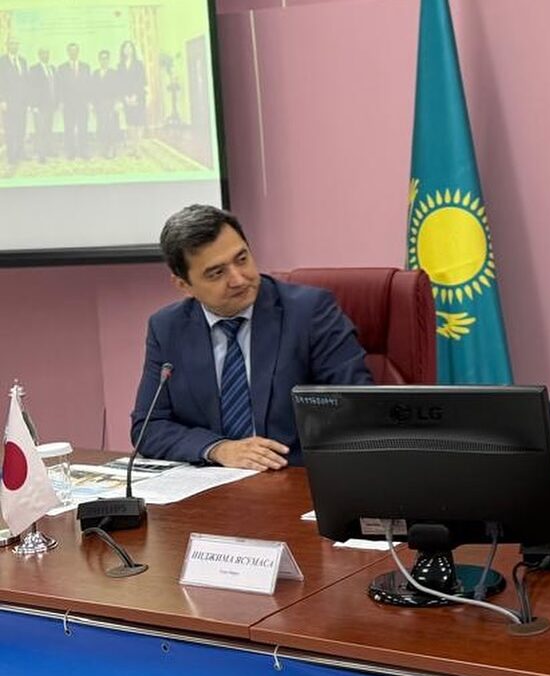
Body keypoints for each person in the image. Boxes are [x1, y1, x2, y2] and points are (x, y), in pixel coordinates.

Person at [130, 205, 373, 470]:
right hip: (211, 482)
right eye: (217, 273)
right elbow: (148, 427)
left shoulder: (309, 313)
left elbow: (358, 408)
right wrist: (218, 449)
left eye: (242, 259)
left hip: (292, 477)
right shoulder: (168, 328)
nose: (238, 279)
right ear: (184, 285)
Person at [57, 43, 91, 159]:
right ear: (68, 52)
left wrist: (89, 102)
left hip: (82, 104)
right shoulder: (62, 68)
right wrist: (61, 102)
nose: (73, 53)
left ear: (78, 52)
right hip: (68, 104)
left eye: (75, 51)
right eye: (71, 51)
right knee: (69, 128)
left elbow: (89, 86)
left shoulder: (86, 67)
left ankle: (83, 151)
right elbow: (60, 87)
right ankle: (70, 151)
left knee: (83, 128)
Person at [0, 37, 28, 171]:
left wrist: (28, 101)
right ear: (7, 46)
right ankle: (11, 155)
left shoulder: (22, 61)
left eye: (16, 44)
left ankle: (20, 153)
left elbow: (26, 82)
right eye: (11, 44)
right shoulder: (2, 61)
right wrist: (2, 100)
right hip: (9, 103)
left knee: (21, 128)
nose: (14, 46)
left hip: (22, 102)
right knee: (10, 129)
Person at [27, 47, 57, 163]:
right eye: (43, 54)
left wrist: (56, 102)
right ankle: (41, 154)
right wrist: (34, 106)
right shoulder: (34, 69)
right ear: (39, 55)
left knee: (49, 129)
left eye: (47, 53)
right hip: (39, 106)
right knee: (40, 130)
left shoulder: (52, 68)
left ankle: (49, 150)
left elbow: (55, 86)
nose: (46, 56)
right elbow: (31, 88)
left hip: (51, 105)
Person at [117, 40, 145, 150]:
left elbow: (141, 80)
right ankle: (134, 146)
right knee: (130, 122)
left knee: (139, 121)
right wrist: (125, 97)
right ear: (122, 50)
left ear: (133, 50)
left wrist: (135, 96)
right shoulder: (120, 65)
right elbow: (120, 83)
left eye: (130, 47)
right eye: (125, 47)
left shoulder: (139, 64)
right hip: (126, 98)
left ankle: (138, 146)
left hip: (138, 96)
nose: (127, 50)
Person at [91, 49, 119, 158]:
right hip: (99, 104)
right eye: (102, 59)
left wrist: (116, 103)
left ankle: (111, 149)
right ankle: (103, 148)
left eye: (106, 59)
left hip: (110, 103)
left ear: (109, 60)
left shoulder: (114, 73)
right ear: (99, 60)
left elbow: (117, 90)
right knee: (101, 126)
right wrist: (92, 104)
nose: (104, 61)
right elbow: (92, 90)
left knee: (110, 127)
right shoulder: (95, 73)